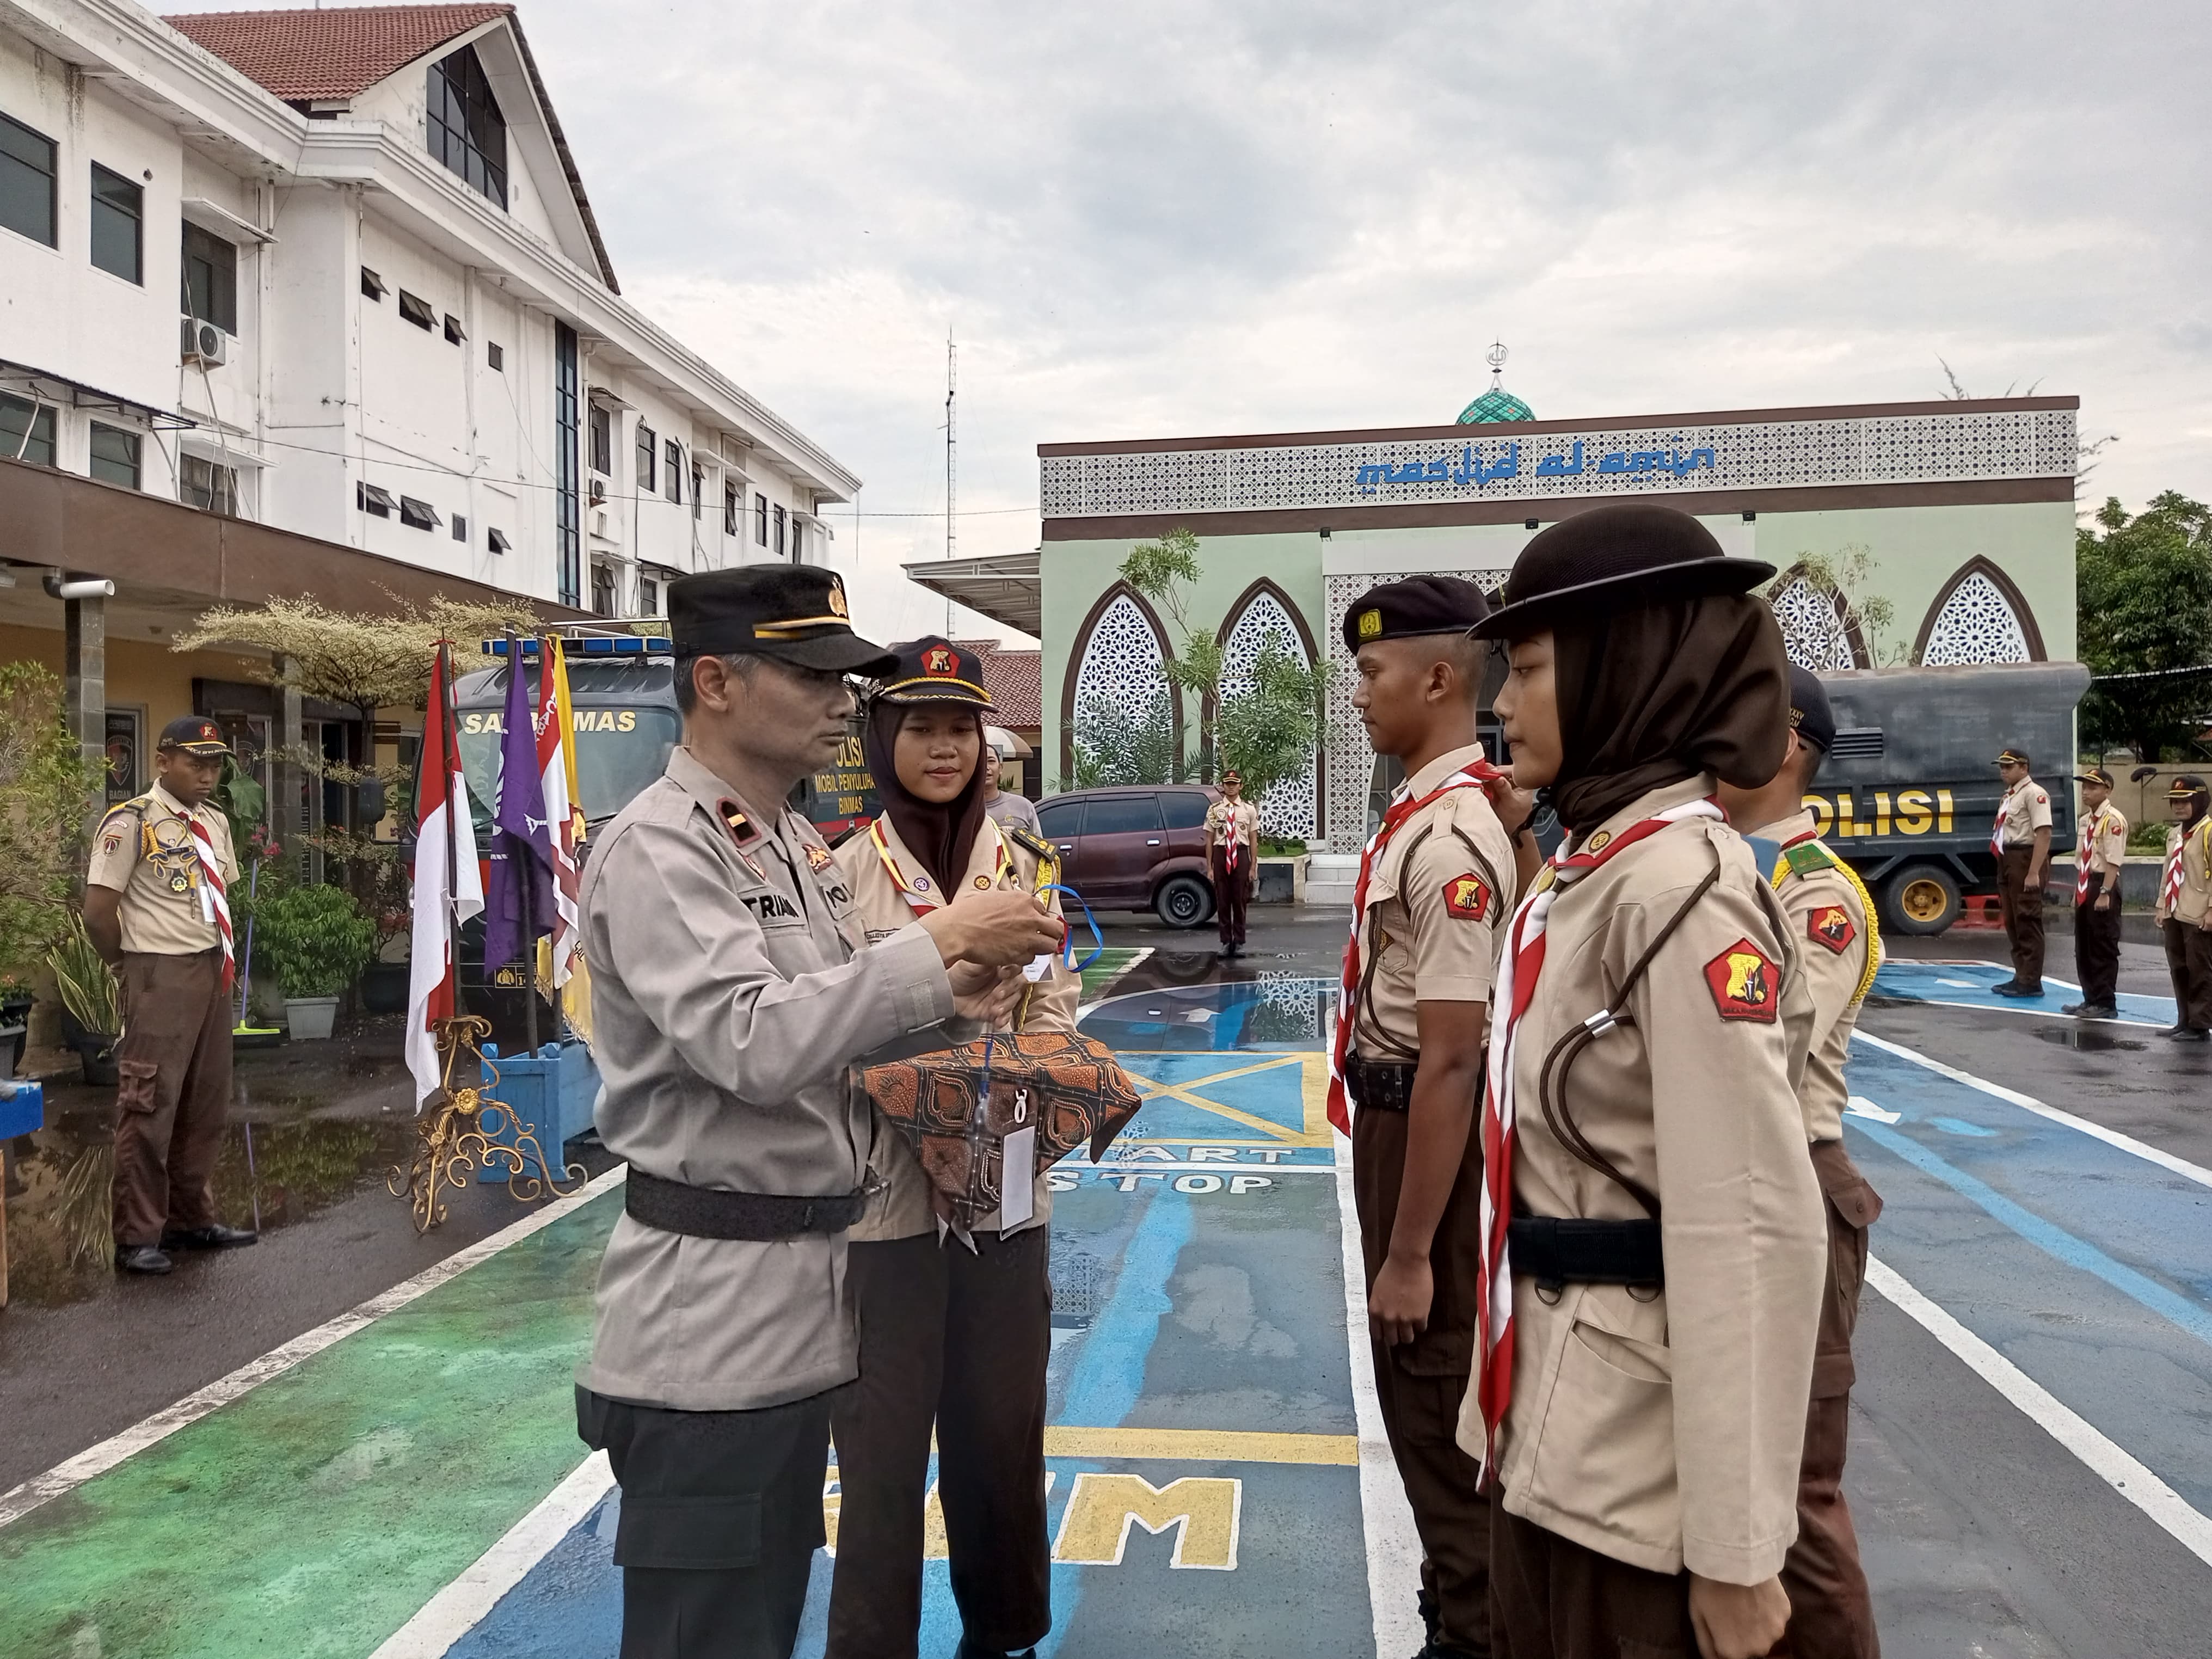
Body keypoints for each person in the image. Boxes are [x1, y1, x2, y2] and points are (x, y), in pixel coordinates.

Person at [573, 568, 1063, 1659]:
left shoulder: (781, 842)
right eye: (812, 674)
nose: (844, 700)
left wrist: (959, 1004)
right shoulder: (664, 848)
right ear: (715, 682)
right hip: (710, 1330)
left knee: (763, 1617)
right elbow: (751, 1042)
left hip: (796, 1318)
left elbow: (834, 1038)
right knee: (710, 1632)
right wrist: (934, 953)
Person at [1464, 503, 1826, 1659]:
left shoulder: (1680, 889)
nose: (1502, 704)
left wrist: (1735, 1547)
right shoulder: (1591, 873)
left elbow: (1747, 1224)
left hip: (1634, 1475)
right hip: (1556, 1427)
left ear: (1623, 666)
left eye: (1525, 669)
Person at [827, 638, 1078, 1659]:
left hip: (1003, 1204)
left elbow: (1055, 1014)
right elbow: (823, 1030)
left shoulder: (1022, 869)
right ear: (881, 736)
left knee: (998, 1440)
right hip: (882, 1211)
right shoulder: (836, 873)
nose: (943, 746)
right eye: (920, 725)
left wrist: (1014, 1080)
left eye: (960, 727)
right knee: (879, 1460)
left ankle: (1005, 1634)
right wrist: (939, 1040)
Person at [1332, 575, 1534, 1659]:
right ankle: (1456, 1616)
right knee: (1424, 1413)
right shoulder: (1433, 814)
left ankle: (1471, 1631)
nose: (1359, 694)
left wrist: (1409, 1253)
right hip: (1402, 1129)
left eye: (1372, 673)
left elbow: (1453, 1055)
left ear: (1440, 678)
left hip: (1424, 1139)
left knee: (1432, 1399)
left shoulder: (1450, 837)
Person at [1714, 666, 1884, 1659]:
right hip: (1734, 1181)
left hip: (1798, 1180)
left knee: (1798, 1487)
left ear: (1782, 743)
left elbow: (1767, 1050)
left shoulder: (1813, 888)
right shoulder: (1732, 867)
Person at [84, 716, 258, 1276]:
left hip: (211, 969)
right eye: (195, 762)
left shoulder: (213, 822)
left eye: (214, 764)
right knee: (149, 1104)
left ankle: (189, 1219)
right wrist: (126, 966)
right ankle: (137, 1235)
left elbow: (215, 896)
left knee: (204, 1103)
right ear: (163, 762)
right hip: (160, 972)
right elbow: (97, 912)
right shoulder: (131, 822)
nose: (207, 774)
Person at [2064, 767, 2129, 1019]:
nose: (2086, 792)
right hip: (2086, 883)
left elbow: (2114, 861)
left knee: (2102, 944)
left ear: (2107, 790)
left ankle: (2105, 1002)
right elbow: (2082, 859)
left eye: (2093, 787)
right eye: (2085, 787)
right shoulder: (2085, 820)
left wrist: (2105, 892)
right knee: (2084, 945)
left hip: (2104, 883)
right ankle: (2089, 997)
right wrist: (2077, 890)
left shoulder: (2113, 820)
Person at [1989, 747, 2053, 998]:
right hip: (2007, 856)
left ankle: (2031, 980)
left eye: (2009, 766)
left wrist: (2034, 871)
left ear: (2024, 768)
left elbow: (2044, 833)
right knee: (2013, 919)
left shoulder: (2034, 794)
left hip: (2025, 857)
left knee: (2027, 918)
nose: (2004, 771)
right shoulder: (2010, 795)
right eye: (2002, 767)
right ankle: (2021, 974)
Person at [2154, 776, 2211, 1042]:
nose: (2179, 807)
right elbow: (2169, 871)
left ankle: (2199, 1025)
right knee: (2178, 966)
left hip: (2199, 910)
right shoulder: (2175, 833)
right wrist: (2161, 906)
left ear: (2200, 801)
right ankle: (2184, 1019)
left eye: (2185, 801)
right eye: (2175, 802)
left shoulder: (2209, 831)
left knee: (2199, 968)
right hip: (2175, 910)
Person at [1205, 769, 1261, 956]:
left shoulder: (1249, 810)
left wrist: (1253, 866)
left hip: (1241, 853)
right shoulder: (1214, 810)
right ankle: (1225, 941)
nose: (1231, 787)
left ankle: (1239, 942)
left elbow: (1253, 839)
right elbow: (1210, 838)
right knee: (1222, 900)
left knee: (1239, 899)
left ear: (1240, 786)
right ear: (1223, 786)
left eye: (1234, 784)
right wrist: (1210, 866)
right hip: (1221, 854)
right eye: (1227, 784)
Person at [980, 732, 1041, 838]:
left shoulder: (1023, 806)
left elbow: (1038, 848)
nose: (987, 767)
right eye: (981, 762)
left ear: (1000, 768)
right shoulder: (961, 809)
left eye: (991, 761)